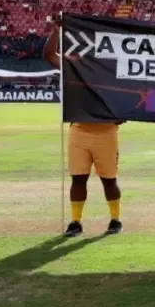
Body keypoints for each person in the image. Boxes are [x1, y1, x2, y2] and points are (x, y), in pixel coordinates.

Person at [43, 25, 123, 237]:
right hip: (79, 130)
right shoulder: (74, 66)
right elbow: (49, 56)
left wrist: (121, 115)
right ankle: (75, 222)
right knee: (78, 179)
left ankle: (115, 220)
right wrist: (56, 31)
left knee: (109, 180)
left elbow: (126, 100)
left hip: (106, 131)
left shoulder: (112, 71)